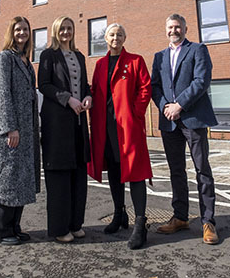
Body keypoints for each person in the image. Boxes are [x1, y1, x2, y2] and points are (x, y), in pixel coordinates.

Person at [151, 13, 219, 245]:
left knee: (202, 170)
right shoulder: (159, 56)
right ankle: (180, 217)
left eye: (178, 27)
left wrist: (179, 105)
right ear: (166, 30)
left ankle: (208, 222)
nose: (174, 31)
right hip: (169, 121)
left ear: (185, 29)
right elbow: (154, 86)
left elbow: (201, 81)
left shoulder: (198, 50)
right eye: (170, 27)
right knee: (176, 171)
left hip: (193, 118)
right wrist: (165, 107)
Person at [88, 23, 152, 249]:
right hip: (106, 127)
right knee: (114, 170)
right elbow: (95, 91)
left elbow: (145, 88)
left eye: (120, 34)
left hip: (128, 127)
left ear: (125, 38)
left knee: (135, 173)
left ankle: (140, 223)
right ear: (106, 38)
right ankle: (119, 213)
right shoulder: (100, 64)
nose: (116, 38)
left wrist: (135, 112)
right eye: (112, 35)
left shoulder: (136, 61)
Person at [38, 16, 92, 243]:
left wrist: (88, 96)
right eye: (62, 29)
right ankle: (60, 228)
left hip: (78, 124)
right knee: (59, 176)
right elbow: (44, 85)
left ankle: (75, 224)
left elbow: (85, 85)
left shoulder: (80, 56)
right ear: (55, 31)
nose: (66, 32)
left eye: (69, 29)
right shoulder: (48, 55)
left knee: (79, 173)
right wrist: (68, 99)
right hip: (57, 124)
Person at [0, 17, 41, 246]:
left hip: (26, 130)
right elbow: (2, 94)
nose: (22, 33)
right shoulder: (5, 58)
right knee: (7, 180)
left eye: (25, 29)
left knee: (21, 180)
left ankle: (13, 227)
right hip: (11, 131)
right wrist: (10, 128)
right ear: (12, 32)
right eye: (18, 29)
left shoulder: (26, 61)